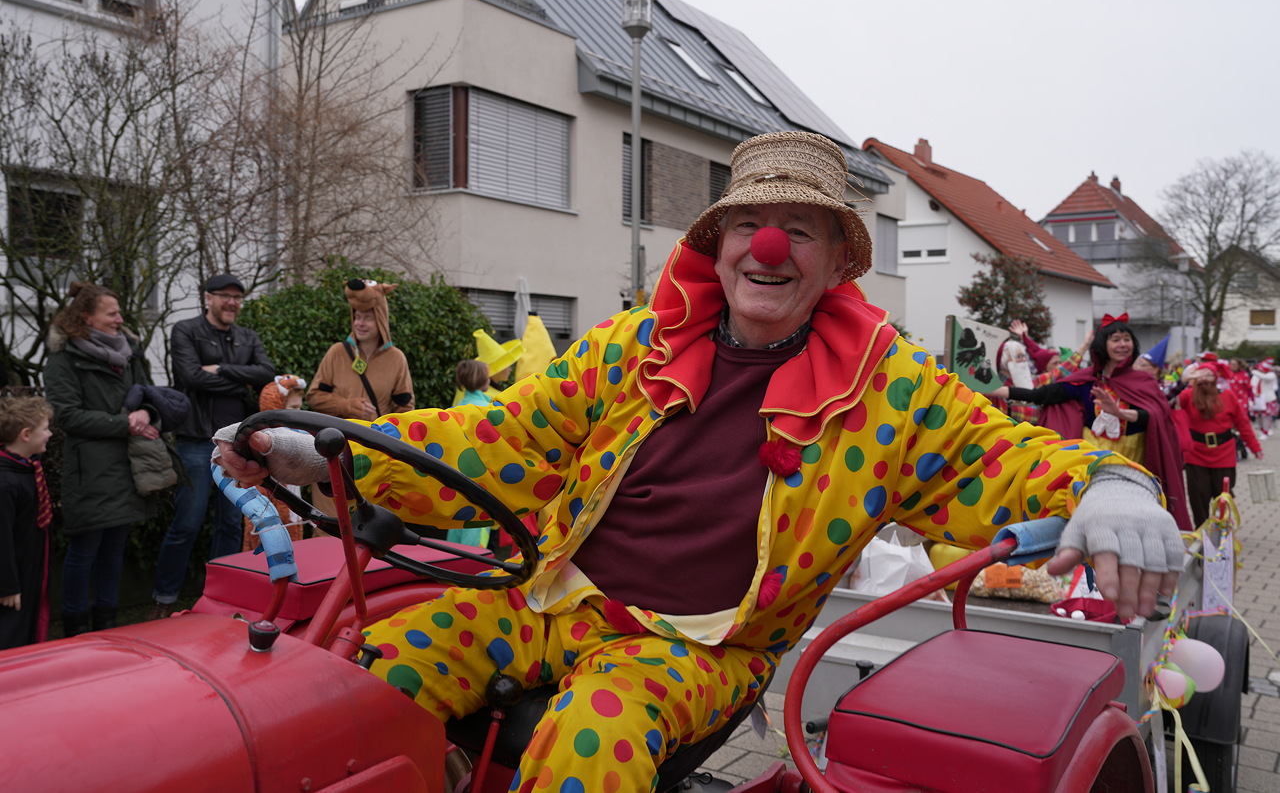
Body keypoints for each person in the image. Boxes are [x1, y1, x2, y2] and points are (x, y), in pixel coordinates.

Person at [215, 131, 1184, 792]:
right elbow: (500, 438)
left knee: (588, 745)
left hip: (691, 647)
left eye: (798, 229)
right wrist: (325, 456)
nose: (769, 246)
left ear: (836, 259)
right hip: (542, 595)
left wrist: (1109, 482)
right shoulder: (636, 345)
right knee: (365, 675)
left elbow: (995, 456)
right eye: (750, 227)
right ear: (716, 246)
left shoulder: (887, 387)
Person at [990, 312, 1190, 530]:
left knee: (1128, 515)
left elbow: (1153, 417)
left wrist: (1120, 413)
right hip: (1092, 459)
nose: (1123, 345)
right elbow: (1044, 394)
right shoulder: (1087, 380)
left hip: (1131, 459)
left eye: (1127, 339)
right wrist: (997, 390)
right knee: (1095, 514)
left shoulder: (1143, 381)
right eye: (1116, 340)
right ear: (1103, 344)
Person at [150, 274, 275, 620]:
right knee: (187, 523)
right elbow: (190, 376)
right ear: (209, 298)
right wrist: (239, 380)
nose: (232, 302)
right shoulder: (186, 330)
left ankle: (220, 597)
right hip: (196, 439)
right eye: (225, 296)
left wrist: (221, 368)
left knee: (231, 524)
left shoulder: (247, 336)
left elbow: (266, 372)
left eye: (237, 297)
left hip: (236, 442)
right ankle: (164, 597)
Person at [44, 283, 164, 635]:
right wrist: (124, 423)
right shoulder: (63, 360)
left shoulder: (129, 352)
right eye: (111, 313)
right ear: (86, 317)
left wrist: (145, 411)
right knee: (84, 552)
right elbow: (66, 415)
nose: (120, 318)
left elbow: (148, 393)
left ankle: (108, 627)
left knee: (115, 550)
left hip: (128, 465)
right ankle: (75, 629)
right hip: (90, 471)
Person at [307, 279, 414, 421]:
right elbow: (313, 397)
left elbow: (405, 409)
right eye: (357, 317)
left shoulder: (396, 358)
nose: (359, 324)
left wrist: (388, 432)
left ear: (381, 321)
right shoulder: (337, 352)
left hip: (376, 440)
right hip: (339, 438)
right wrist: (346, 406)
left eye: (368, 318)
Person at [0, 396, 54, 648]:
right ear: (25, 434)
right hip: (12, 579)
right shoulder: (6, 481)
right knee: (11, 631)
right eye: (45, 429)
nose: (50, 434)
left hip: (29, 564)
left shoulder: (27, 467)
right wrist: (7, 585)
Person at [1178, 364, 1261, 527]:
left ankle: (1223, 533)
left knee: (1223, 498)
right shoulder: (1186, 396)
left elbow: (1242, 423)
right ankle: (1202, 534)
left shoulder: (1228, 396)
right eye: (1199, 374)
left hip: (1224, 454)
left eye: (1208, 374)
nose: (1203, 378)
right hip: (1196, 455)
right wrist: (1182, 381)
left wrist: (1255, 447)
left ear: (1216, 377)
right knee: (1198, 498)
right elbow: (1166, 405)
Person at [242, 375, 308, 551]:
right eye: (293, 407)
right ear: (276, 409)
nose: (298, 412)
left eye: (299, 407)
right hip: (270, 514)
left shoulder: (295, 436)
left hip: (291, 512)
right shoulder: (261, 447)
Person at [1251, 358, 1277, 437]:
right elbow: (1252, 385)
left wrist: (1253, 371)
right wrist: (1255, 393)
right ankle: (1262, 430)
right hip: (1258, 399)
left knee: (1266, 416)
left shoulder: (1271, 375)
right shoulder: (1256, 376)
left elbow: (1265, 378)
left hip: (1268, 399)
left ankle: (1266, 431)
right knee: (1259, 417)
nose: (1260, 370)